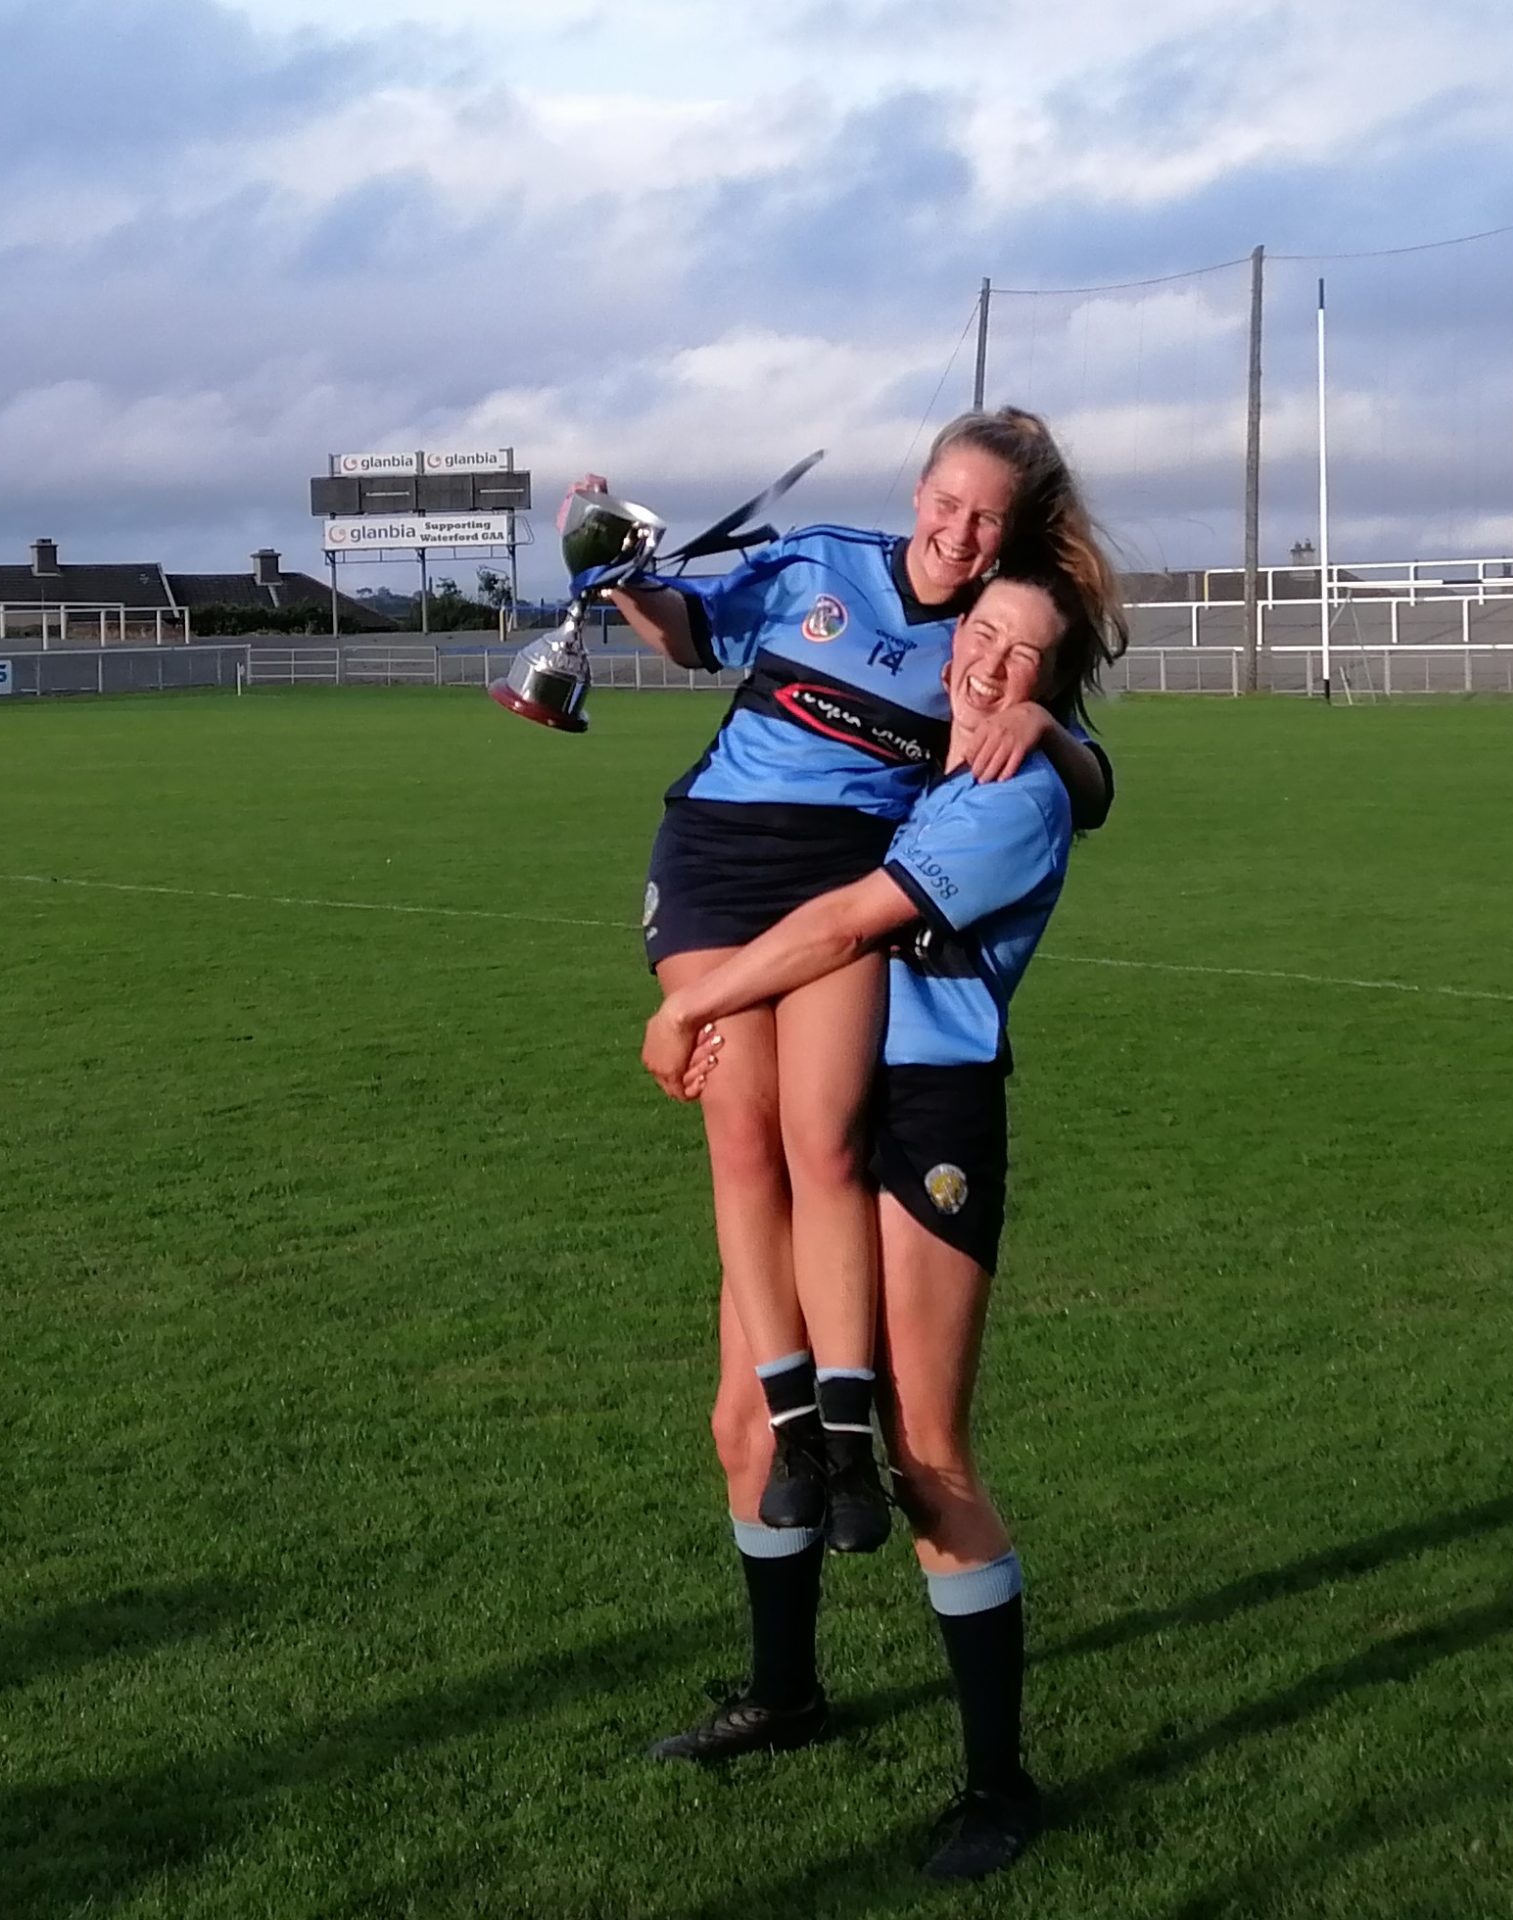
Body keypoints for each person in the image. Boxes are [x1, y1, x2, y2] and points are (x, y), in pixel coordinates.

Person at [637, 566, 1119, 1881]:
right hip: (818, 1109)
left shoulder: (1015, 795)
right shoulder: (912, 762)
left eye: (1024, 659)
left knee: (924, 1452)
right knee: (745, 1424)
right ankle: (783, 1694)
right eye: (981, 638)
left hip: (925, 1115)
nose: (990, 667)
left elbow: (848, 921)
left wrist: (689, 1005)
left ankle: (998, 1783)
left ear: (1051, 688)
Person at [578, 412, 1116, 1562]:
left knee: (821, 1140)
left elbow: (1096, 789)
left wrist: (1039, 721)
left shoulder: (989, 630)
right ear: (917, 491)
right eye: (946, 503)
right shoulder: (820, 561)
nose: (958, 532)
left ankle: (843, 1437)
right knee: (743, 1125)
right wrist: (621, 576)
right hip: (721, 861)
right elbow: (689, 636)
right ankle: (794, 1432)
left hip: (839, 887)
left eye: (986, 519)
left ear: (1011, 532)